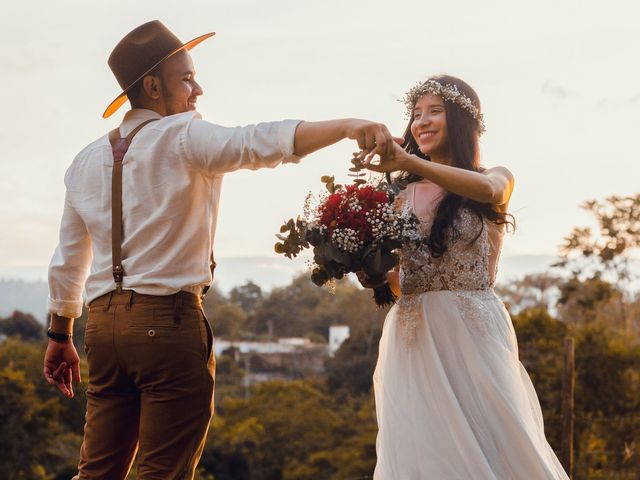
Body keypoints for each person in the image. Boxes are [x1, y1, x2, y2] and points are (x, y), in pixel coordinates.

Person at [43, 20, 395, 480]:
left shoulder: (84, 160)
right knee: (162, 471)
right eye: (186, 78)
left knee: (96, 473)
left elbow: (69, 259)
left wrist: (58, 336)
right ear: (153, 86)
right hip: (167, 326)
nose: (198, 89)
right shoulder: (185, 135)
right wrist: (348, 126)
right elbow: (260, 141)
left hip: (103, 332)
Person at [363, 74, 569, 479]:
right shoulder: (400, 194)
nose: (421, 122)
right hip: (413, 338)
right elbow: (409, 279)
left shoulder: (495, 175)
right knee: (427, 453)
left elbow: (490, 192)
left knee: (497, 445)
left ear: (460, 119)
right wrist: (367, 269)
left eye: (434, 112)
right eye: (415, 114)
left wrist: (408, 161)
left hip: (471, 334)